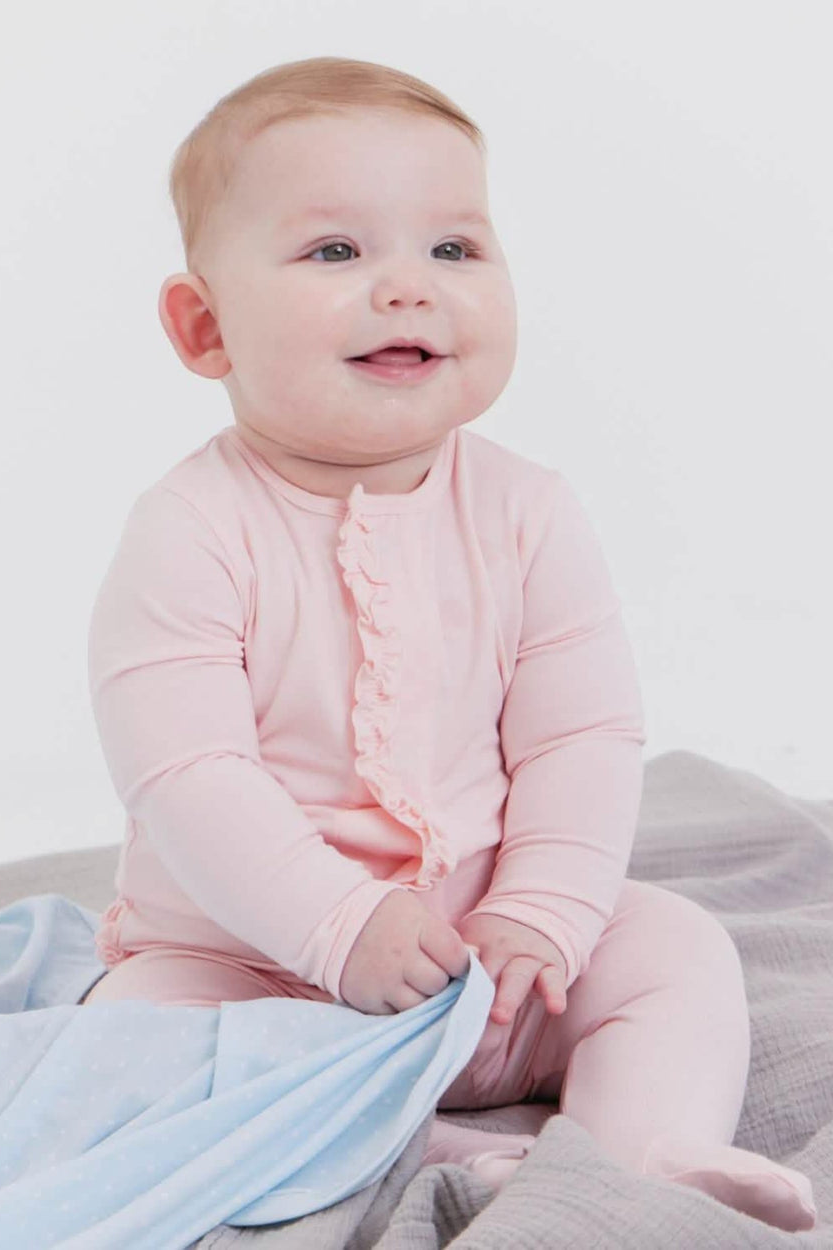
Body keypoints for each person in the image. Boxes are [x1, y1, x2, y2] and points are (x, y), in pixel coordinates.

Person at [78, 56, 816, 1232]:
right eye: (336, 252)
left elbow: (582, 731)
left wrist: (542, 912)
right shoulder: (189, 530)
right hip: (259, 971)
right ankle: (422, 1144)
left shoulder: (529, 511)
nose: (407, 289)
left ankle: (630, 1161)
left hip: (494, 965)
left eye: (454, 250)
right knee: (129, 1047)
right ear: (204, 324)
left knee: (669, 945)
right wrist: (335, 924)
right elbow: (186, 774)